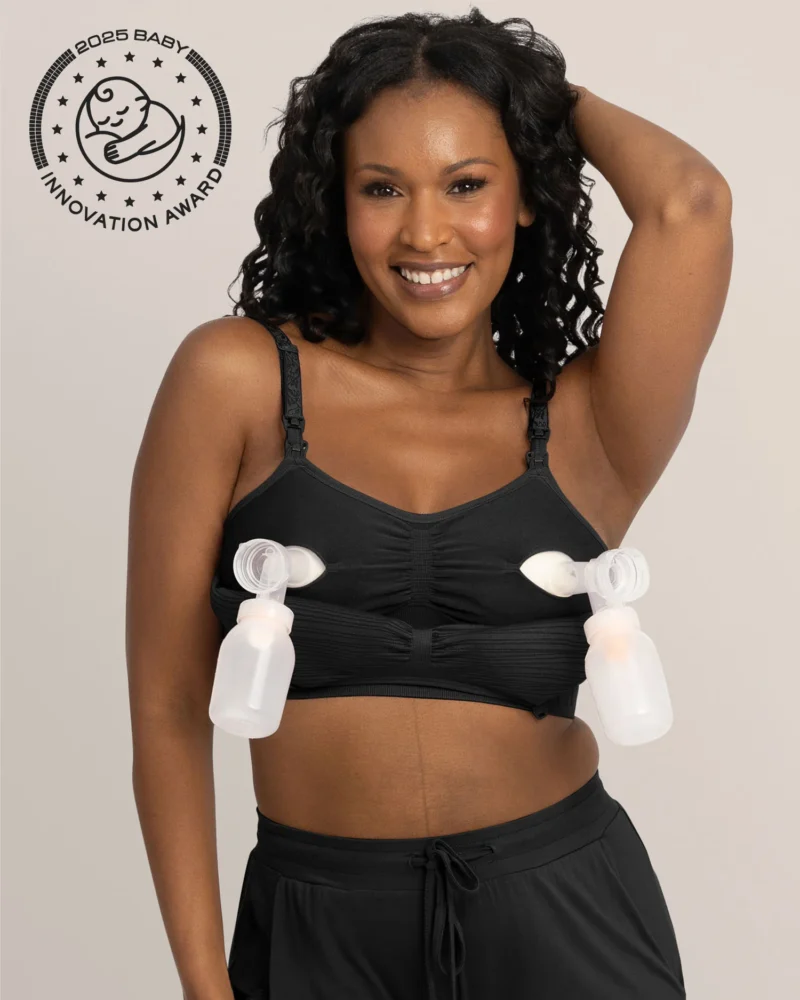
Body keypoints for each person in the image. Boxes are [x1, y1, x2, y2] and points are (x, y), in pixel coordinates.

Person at [126, 10, 732, 1000]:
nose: (424, 233)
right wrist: (203, 984)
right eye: (381, 188)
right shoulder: (236, 380)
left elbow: (690, 203)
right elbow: (163, 706)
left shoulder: (588, 426)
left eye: (467, 183)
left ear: (524, 194)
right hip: (322, 926)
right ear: (335, 201)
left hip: (563, 910)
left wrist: (523, 96)